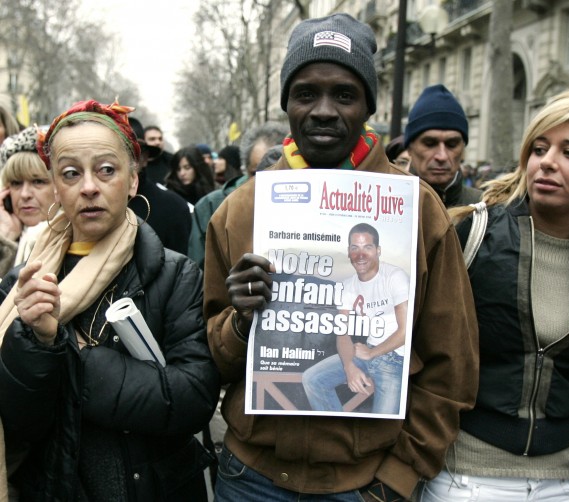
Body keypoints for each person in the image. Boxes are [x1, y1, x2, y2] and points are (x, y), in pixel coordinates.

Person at [204, 13, 478, 501]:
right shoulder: (240, 210)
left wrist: (400, 476)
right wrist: (241, 321)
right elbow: (209, 360)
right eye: (306, 93)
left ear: (368, 106)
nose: (324, 111)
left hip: (364, 485)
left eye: (345, 95)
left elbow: (451, 362)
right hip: (252, 479)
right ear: (287, 102)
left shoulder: (416, 209)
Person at [421, 87, 569, 502]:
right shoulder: (472, 234)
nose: (547, 162)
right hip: (463, 478)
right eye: (540, 148)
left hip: (567, 484)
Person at [0, 100, 220, 500]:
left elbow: (193, 399)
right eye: (70, 173)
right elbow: (17, 424)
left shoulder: (176, 276)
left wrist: (71, 356)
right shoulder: (22, 287)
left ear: (133, 181)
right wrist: (36, 343)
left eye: (106, 170)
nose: (88, 187)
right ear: (55, 184)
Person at [302, 223, 409, 415]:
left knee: (383, 425)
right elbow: (342, 335)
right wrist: (349, 366)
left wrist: (372, 352)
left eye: (367, 247)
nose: (361, 254)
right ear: (348, 252)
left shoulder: (394, 276)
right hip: (364, 354)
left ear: (378, 250)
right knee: (312, 379)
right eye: (355, 248)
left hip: (395, 358)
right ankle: (338, 433)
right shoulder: (348, 286)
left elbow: (405, 331)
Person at [188, 122, 286, 269]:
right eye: (257, 173)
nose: (267, 183)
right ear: (245, 169)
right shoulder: (211, 207)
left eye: (275, 173)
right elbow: (198, 273)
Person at [404, 84, 482, 208]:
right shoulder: (385, 205)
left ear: (463, 149)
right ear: (409, 148)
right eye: (430, 144)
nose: (442, 156)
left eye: (452, 144)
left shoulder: (486, 209)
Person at [128, 117, 192, 255]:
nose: (118, 161)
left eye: (129, 153)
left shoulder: (174, 208)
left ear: (144, 158)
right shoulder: (86, 204)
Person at [0, 126, 56, 277]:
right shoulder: (6, 237)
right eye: (16, 183)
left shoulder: (78, 240)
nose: (25, 194)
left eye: (38, 182)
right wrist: (6, 241)